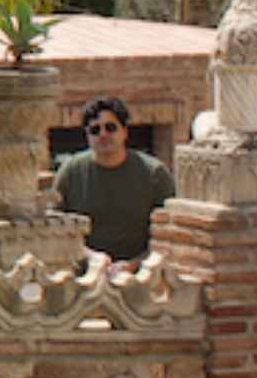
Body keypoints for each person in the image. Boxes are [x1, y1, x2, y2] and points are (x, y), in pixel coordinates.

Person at [49, 98, 173, 263]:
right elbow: (55, 228)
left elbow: (169, 235)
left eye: (110, 127)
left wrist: (131, 265)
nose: (103, 134)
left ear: (125, 132)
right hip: (83, 271)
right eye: (95, 130)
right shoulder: (71, 171)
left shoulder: (154, 174)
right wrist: (91, 257)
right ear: (87, 136)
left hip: (143, 272)